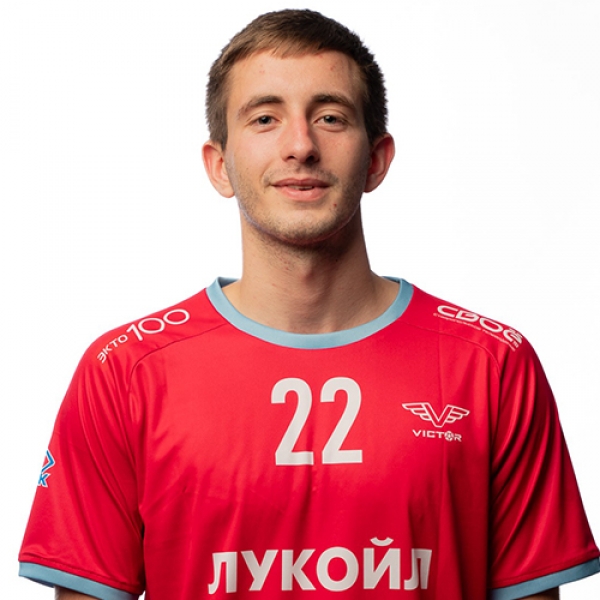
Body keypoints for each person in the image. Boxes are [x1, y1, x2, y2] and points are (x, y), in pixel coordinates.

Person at [19, 9, 599, 600]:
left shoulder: (491, 365)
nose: (300, 146)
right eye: (265, 118)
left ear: (376, 159)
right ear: (220, 166)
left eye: (330, 117)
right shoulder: (125, 372)